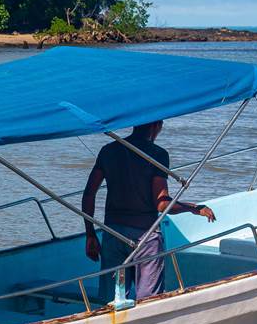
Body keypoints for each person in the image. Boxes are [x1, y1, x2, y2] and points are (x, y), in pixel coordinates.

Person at [82, 120, 216, 303]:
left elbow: (89, 193)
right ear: (157, 126)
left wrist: (90, 234)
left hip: (113, 234)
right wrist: (194, 208)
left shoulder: (108, 151)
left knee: (110, 301)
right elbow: (161, 204)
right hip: (145, 237)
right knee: (148, 301)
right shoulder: (157, 154)